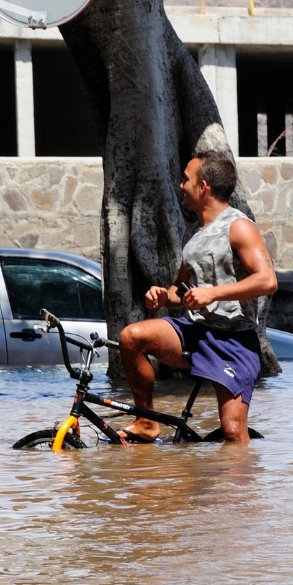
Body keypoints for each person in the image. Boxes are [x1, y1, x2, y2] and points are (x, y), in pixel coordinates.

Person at [117, 150, 277, 445]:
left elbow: (267, 280)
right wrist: (165, 295)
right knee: (131, 337)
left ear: (204, 186)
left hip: (235, 341)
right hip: (196, 333)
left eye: (186, 179)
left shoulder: (239, 227)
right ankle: (146, 422)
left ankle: (240, 489)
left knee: (232, 433)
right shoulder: (195, 233)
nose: (181, 185)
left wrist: (213, 293)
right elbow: (182, 289)